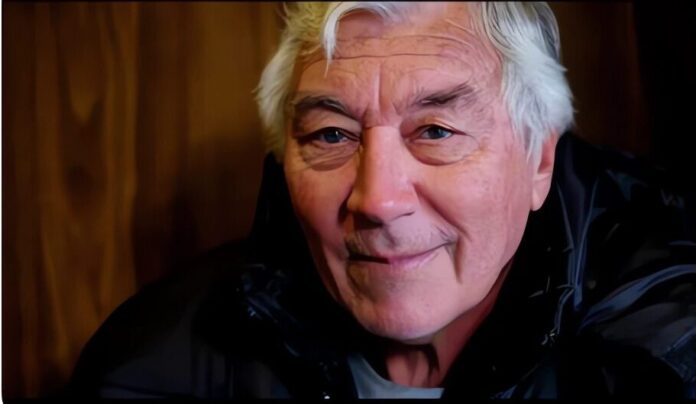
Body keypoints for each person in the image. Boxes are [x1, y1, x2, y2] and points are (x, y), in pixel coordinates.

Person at [67, 2, 696, 399]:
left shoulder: (664, 360)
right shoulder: (153, 370)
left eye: (436, 132)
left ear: (539, 162)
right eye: (331, 135)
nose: (377, 201)